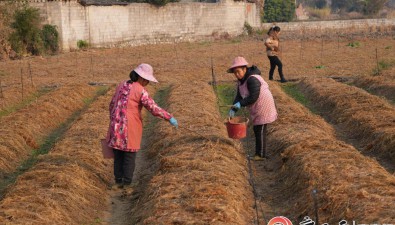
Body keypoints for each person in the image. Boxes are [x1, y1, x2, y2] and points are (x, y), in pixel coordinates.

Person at [106, 63, 178, 188]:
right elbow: (153, 108)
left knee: (118, 155)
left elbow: (112, 104)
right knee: (129, 156)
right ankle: (127, 185)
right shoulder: (140, 90)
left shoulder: (121, 85)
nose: (147, 83)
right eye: (147, 81)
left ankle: (118, 182)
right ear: (142, 78)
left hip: (115, 125)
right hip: (129, 127)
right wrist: (169, 117)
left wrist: (114, 119)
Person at [227, 56, 277, 161]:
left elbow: (253, 97)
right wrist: (233, 108)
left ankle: (261, 155)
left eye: (238, 71)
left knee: (260, 130)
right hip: (257, 107)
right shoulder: (241, 81)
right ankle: (259, 153)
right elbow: (239, 96)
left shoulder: (252, 79)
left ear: (245, 69)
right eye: (235, 73)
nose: (237, 74)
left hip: (264, 106)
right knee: (257, 129)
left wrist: (240, 104)